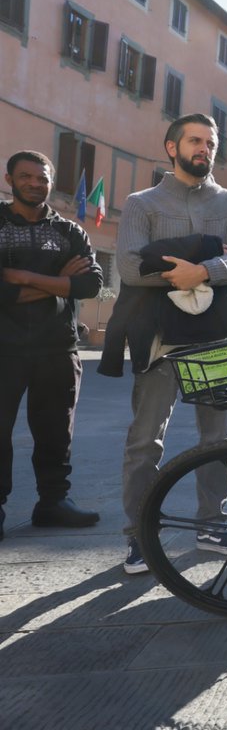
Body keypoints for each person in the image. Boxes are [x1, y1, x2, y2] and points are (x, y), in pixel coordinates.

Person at [100, 113, 227, 575]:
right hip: (158, 335)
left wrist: (200, 270)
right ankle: (140, 535)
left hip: (218, 334)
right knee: (145, 439)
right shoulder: (141, 204)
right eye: (195, 141)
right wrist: (205, 256)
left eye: (210, 143)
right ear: (172, 147)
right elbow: (130, 268)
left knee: (218, 438)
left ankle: (212, 525)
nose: (204, 149)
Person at [0, 151, 103, 540]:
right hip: (3, 348)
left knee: (56, 433)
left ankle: (53, 503)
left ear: (50, 182)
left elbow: (90, 284)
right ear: (9, 179)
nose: (34, 183)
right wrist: (58, 282)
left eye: (41, 178)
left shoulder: (69, 231)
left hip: (56, 348)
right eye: (25, 176)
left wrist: (22, 277)